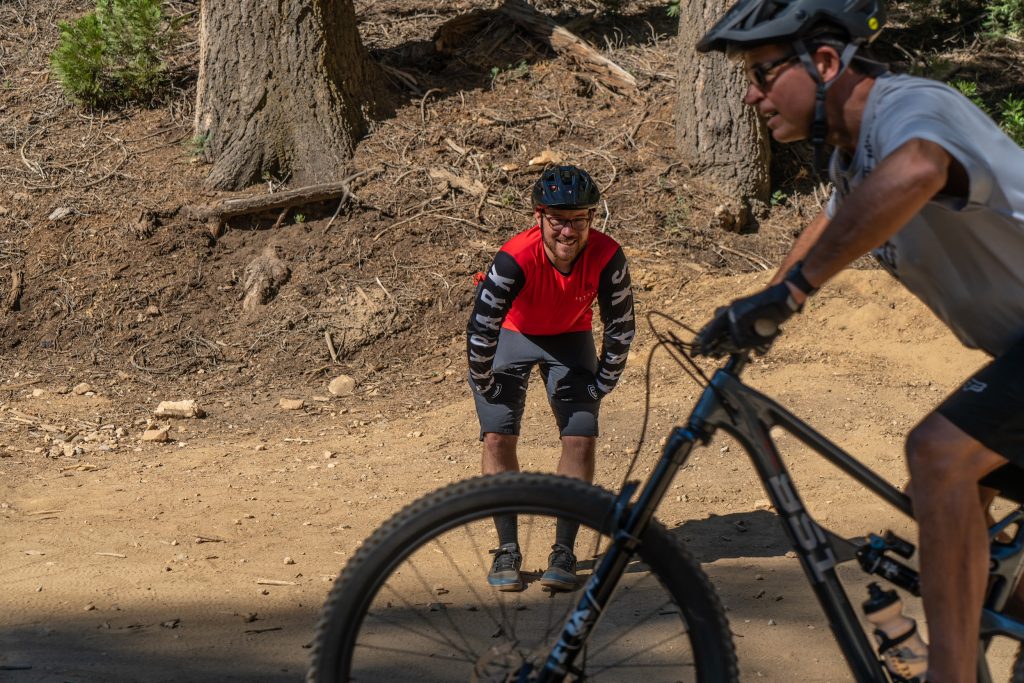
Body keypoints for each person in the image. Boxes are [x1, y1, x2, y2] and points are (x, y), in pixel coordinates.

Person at [694, 0, 1024, 680]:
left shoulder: (909, 109)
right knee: (952, 490)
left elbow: (921, 169)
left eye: (761, 73)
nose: (752, 96)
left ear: (823, 62)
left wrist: (791, 292)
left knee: (940, 455)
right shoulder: (854, 157)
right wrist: (754, 305)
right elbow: (832, 219)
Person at [466, 165, 635, 591]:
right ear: (538, 217)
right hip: (514, 333)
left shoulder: (607, 255)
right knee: (497, 436)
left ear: (591, 220)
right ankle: (507, 548)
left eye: (579, 220)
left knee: (580, 437)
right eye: (558, 220)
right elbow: (482, 327)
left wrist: (600, 385)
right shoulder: (514, 258)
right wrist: (486, 382)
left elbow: (621, 328)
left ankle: (564, 549)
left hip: (571, 334)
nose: (568, 231)